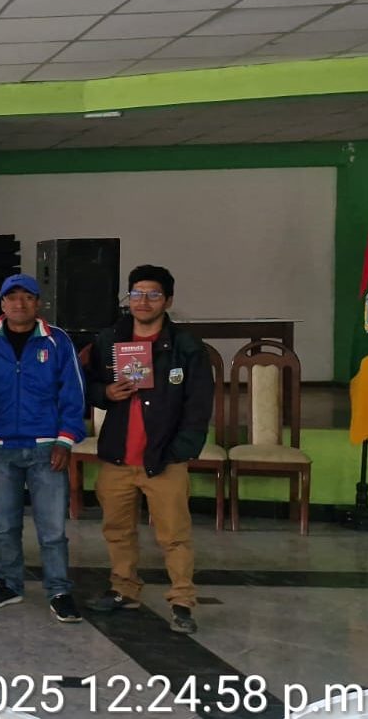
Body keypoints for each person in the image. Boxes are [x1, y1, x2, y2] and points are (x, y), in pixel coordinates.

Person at [85, 265, 211, 635]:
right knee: (117, 529)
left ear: (167, 301)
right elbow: (86, 384)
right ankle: (124, 589)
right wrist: (105, 393)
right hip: (118, 455)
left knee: (174, 535)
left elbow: (199, 404)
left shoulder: (186, 346)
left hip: (164, 458)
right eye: (136, 293)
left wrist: (181, 451)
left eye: (153, 294)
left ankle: (182, 601)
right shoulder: (109, 339)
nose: (143, 301)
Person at [0, 274, 86, 623]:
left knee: (53, 529)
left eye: (27, 297)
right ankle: (8, 583)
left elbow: (73, 393)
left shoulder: (58, 341)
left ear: (38, 303)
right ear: (2, 304)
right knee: (5, 526)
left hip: (47, 449)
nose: (19, 303)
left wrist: (65, 440)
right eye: (12, 297)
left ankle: (59, 590)